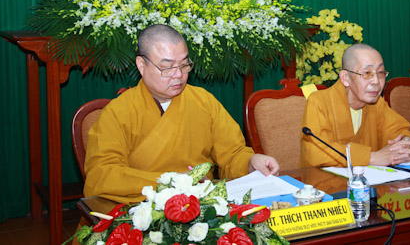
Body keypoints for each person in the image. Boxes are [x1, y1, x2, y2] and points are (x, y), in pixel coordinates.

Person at [83, 24, 278, 204]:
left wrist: (251, 163)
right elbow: (103, 175)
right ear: (141, 65)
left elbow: (232, 153)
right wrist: (173, 182)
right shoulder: (117, 113)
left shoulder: (203, 101)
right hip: (142, 209)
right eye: (167, 67)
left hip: (201, 207)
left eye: (184, 65)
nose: (179, 75)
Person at [300, 43, 410, 168]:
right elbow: (315, 151)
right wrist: (371, 158)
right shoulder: (319, 102)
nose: (376, 81)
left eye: (381, 72)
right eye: (367, 73)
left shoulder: (376, 104)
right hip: (326, 179)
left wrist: (405, 143)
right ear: (345, 78)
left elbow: (399, 130)